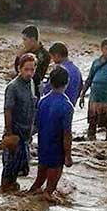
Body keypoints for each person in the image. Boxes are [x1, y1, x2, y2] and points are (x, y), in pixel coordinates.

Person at [28, 66, 74, 202]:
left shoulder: (43, 101)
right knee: (49, 189)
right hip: (56, 149)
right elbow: (67, 134)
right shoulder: (67, 106)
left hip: (43, 146)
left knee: (38, 182)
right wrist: (68, 155)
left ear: (50, 82)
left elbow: (36, 125)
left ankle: (33, 194)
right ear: (67, 82)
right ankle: (47, 195)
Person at [2, 54, 37, 191]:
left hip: (26, 132)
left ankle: (12, 188)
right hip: (14, 131)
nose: (29, 73)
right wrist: (9, 134)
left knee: (20, 167)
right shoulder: (13, 87)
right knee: (9, 166)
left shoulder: (32, 84)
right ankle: (5, 189)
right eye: (26, 69)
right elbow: (7, 111)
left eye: (32, 70)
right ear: (19, 69)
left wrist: (31, 131)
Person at [79, 38, 107, 141]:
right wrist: (82, 95)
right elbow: (89, 79)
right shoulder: (96, 62)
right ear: (101, 49)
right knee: (92, 123)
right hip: (94, 97)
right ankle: (91, 142)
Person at [14, 25, 49, 94]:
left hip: (33, 90)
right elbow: (18, 69)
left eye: (25, 40)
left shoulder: (43, 55)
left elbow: (36, 77)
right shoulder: (26, 51)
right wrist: (18, 57)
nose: (23, 43)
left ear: (32, 40)